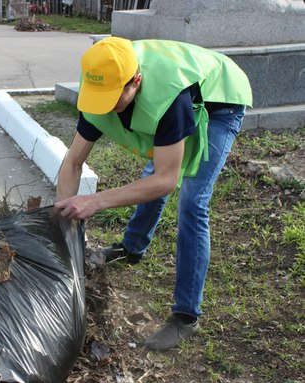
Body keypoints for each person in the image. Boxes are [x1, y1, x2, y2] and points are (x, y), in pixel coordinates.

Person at [54, 37, 252, 351]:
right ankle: (132, 248)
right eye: (98, 98)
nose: (103, 107)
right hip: (169, 98)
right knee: (154, 169)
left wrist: (96, 200)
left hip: (219, 100)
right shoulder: (100, 82)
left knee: (192, 200)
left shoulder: (169, 98)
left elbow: (166, 181)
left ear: (136, 82)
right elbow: (73, 162)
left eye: (113, 99)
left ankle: (186, 316)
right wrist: (63, 222)